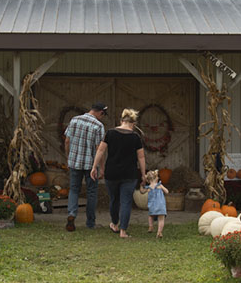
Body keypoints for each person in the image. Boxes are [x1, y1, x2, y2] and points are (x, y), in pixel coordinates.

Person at [91, 108, 146, 239]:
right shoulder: (135, 137)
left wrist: (94, 167)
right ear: (133, 123)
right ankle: (123, 231)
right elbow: (141, 157)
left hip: (112, 173)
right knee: (126, 201)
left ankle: (114, 224)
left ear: (121, 121)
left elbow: (100, 151)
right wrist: (143, 174)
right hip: (129, 174)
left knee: (114, 200)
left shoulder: (110, 133)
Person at [63, 102, 107, 231]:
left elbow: (67, 141)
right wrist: (102, 167)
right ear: (101, 112)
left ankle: (71, 214)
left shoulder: (74, 120)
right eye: (103, 115)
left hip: (74, 162)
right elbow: (100, 149)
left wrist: (68, 157)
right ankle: (90, 223)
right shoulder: (98, 125)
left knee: (74, 190)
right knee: (91, 192)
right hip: (91, 165)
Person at [141, 169, 169, 238]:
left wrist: (141, 185)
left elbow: (142, 192)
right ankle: (159, 232)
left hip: (152, 206)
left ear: (148, 180)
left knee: (151, 216)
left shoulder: (148, 188)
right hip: (160, 205)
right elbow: (167, 191)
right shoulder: (159, 185)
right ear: (156, 178)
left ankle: (151, 226)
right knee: (161, 219)